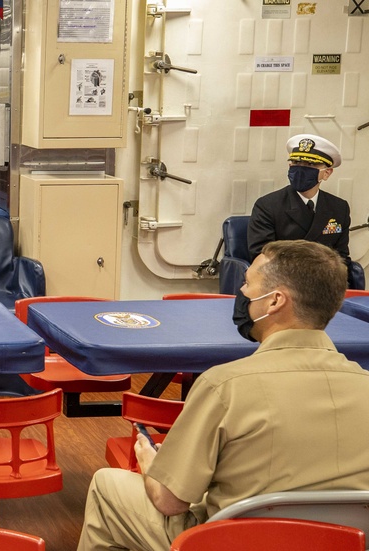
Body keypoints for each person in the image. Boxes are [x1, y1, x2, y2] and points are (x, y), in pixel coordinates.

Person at [77, 240, 369, 551]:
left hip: (234, 542)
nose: (241, 293)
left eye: (247, 283)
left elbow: (169, 501)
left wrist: (151, 464)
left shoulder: (224, 385)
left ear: (275, 301)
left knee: (108, 486)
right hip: (345, 542)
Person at [248, 134, 362, 289]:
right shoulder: (268, 205)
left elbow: (340, 256)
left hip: (324, 286)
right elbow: (263, 256)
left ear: (326, 173)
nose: (300, 169)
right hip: (282, 286)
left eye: (309, 164)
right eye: (295, 162)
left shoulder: (339, 207)